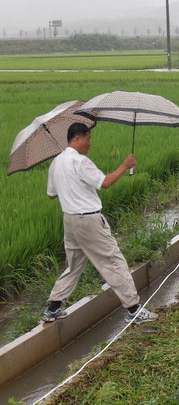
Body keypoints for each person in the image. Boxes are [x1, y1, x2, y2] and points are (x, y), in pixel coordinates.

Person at [41, 123, 157, 325]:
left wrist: (69, 186)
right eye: (88, 138)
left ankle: (52, 309)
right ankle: (134, 310)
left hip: (70, 221)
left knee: (74, 265)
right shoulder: (80, 161)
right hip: (88, 221)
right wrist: (125, 165)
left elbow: (51, 195)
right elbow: (105, 183)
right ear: (77, 138)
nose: (90, 143)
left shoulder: (56, 163)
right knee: (114, 262)